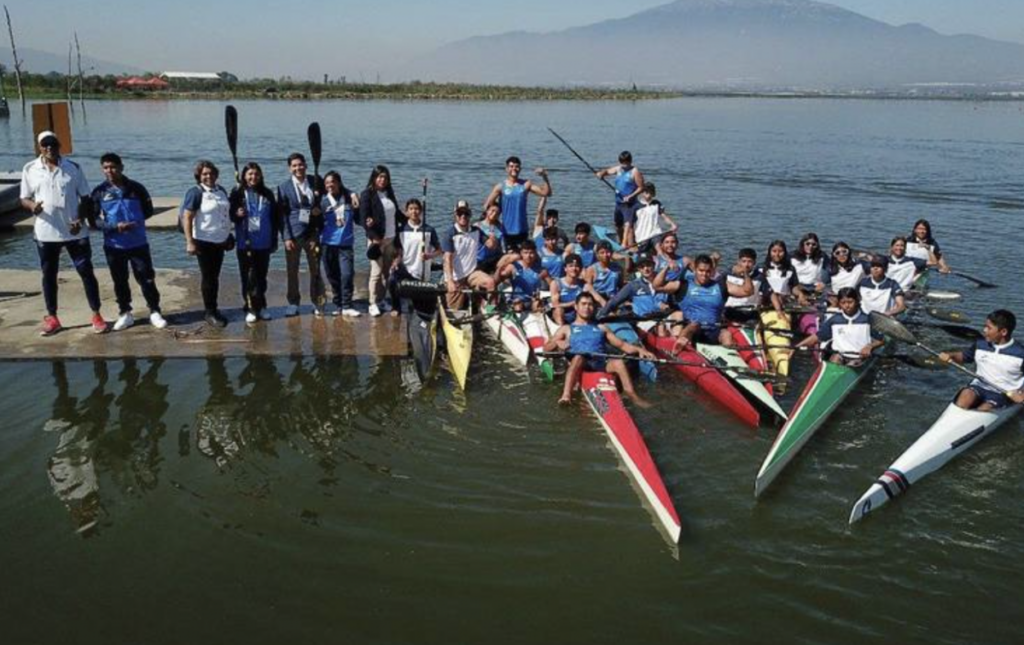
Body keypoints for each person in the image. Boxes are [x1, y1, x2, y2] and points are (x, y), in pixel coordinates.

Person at [20, 130, 109, 336]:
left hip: (75, 231)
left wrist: (80, 218)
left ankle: (96, 314)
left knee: (86, 271)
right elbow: (24, 197)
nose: (49, 148)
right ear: (39, 147)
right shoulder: (29, 169)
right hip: (46, 232)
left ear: (60, 146)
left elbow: (85, 197)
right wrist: (32, 206)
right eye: (45, 145)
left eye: (53, 144)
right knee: (49, 275)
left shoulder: (73, 168)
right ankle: (53, 317)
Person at [88, 152, 165, 331]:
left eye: (113, 167)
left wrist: (135, 223)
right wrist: (114, 227)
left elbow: (148, 211)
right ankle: (125, 313)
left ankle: (154, 311)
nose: (110, 171)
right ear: (102, 169)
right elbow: (94, 221)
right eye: (106, 167)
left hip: (138, 243)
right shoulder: (99, 191)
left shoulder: (137, 188)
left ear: (121, 167)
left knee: (146, 278)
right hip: (114, 245)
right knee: (120, 280)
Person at [543, 291, 655, 407]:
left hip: (599, 363)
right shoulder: (566, 329)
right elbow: (546, 349)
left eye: (590, 304)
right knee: (579, 357)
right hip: (580, 364)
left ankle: (632, 395)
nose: (587, 307)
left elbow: (622, 345)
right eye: (584, 304)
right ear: (576, 307)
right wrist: (557, 342)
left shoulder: (601, 327)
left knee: (619, 362)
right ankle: (566, 395)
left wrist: (641, 350)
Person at [657, 253, 754, 349]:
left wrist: (745, 273)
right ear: (695, 269)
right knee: (693, 325)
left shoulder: (721, 285)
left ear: (712, 271)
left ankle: (729, 356)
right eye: (701, 271)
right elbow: (657, 286)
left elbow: (748, 291)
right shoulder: (683, 285)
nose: (704, 274)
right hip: (691, 330)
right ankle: (680, 348)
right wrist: (666, 268)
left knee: (726, 334)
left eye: (708, 271)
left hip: (714, 329)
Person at [181, 160, 233, 328]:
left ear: (216, 174)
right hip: (204, 242)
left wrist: (228, 234)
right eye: (204, 174)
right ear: (199, 176)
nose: (208, 176)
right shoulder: (195, 192)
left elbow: (224, 214)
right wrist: (189, 242)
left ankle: (214, 308)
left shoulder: (221, 190)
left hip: (220, 241)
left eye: (211, 173)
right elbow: (187, 217)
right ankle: (210, 312)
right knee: (208, 278)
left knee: (215, 277)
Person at [939, 310, 1024, 410]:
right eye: (985, 326)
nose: (984, 330)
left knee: (984, 409)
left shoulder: (1020, 353)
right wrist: (950, 355)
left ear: (1003, 332)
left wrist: (1022, 395)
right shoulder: (980, 344)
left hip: (1004, 393)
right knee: (965, 395)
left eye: (989, 328)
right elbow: (964, 356)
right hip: (979, 386)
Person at [277, 153, 327, 317]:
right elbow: (282, 215)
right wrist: (286, 237)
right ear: (290, 168)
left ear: (306, 165)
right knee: (292, 270)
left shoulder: (315, 181)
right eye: (294, 165)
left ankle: (318, 301)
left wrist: (352, 194)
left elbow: (334, 187)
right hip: (293, 233)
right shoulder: (283, 187)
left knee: (316, 270)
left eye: (301, 164)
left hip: (313, 233)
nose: (298, 168)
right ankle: (293, 302)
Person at [229, 162, 279, 324]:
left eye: (256, 174)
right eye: (250, 174)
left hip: (264, 243)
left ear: (261, 176)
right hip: (245, 243)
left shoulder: (268, 193)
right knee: (248, 277)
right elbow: (230, 215)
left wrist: (274, 240)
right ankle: (250, 307)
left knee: (261, 276)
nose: (253, 177)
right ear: (244, 176)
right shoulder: (237, 192)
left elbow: (274, 218)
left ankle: (262, 306)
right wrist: (237, 213)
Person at [795, 287, 885, 366]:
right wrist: (797, 347)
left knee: (854, 362)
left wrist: (869, 346)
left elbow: (881, 340)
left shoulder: (867, 319)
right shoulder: (834, 320)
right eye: (843, 303)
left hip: (859, 358)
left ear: (857, 301)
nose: (847, 306)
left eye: (850, 302)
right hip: (838, 356)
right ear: (839, 304)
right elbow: (818, 337)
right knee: (835, 358)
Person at [359, 164, 403, 316]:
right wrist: (374, 238)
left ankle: (382, 299)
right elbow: (364, 219)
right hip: (377, 240)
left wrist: (411, 219)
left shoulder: (389, 193)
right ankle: (372, 302)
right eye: (380, 177)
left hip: (391, 239)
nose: (382, 180)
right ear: (374, 178)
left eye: (385, 177)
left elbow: (397, 214)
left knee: (387, 273)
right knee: (376, 273)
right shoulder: (367, 194)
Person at [483, 156, 552, 251]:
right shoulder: (500, 186)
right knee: (509, 258)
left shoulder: (526, 184)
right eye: (511, 166)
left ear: (520, 168)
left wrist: (544, 177)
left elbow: (546, 193)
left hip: (522, 230)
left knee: (522, 258)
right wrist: (493, 222)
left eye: (516, 166)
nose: (514, 169)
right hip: (506, 231)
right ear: (506, 168)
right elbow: (487, 205)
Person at [389, 198, 441, 316]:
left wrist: (429, 256)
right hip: (406, 270)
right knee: (391, 279)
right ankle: (395, 307)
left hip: (422, 272)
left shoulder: (429, 230)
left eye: (416, 209)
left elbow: (439, 250)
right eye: (411, 209)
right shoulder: (401, 230)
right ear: (406, 212)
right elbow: (398, 251)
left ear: (421, 211)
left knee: (421, 308)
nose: (414, 212)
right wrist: (396, 262)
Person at [319, 171, 360, 317]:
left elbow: (359, 217)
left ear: (339, 183)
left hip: (345, 244)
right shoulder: (322, 201)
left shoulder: (349, 198)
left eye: (333, 182)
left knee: (347, 274)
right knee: (332, 275)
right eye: (327, 183)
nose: (330, 185)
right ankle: (338, 303)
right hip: (327, 243)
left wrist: (354, 194)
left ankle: (347, 305)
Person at [441, 202, 497, 310]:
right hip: (456, 277)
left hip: (471, 273)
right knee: (454, 310)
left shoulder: (476, 231)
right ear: (455, 215)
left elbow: (490, 245)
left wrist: (493, 239)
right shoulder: (449, 234)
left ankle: (491, 310)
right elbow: (447, 259)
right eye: (460, 213)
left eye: (466, 213)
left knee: (491, 282)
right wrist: (450, 281)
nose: (463, 216)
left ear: (470, 215)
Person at [597, 256, 672, 335]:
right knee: (661, 327)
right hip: (645, 320)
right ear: (639, 269)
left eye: (648, 265)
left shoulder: (665, 282)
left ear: (654, 266)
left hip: (665, 317)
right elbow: (614, 301)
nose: (646, 269)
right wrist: (601, 315)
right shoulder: (633, 286)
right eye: (642, 267)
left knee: (677, 320)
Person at [595, 151, 645, 247]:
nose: (624, 165)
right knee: (618, 224)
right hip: (619, 202)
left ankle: (629, 245)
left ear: (630, 161)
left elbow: (641, 188)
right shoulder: (618, 169)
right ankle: (620, 241)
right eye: (622, 162)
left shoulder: (635, 171)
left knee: (628, 226)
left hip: (629, 204)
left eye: (626, 163)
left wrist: (631, 196)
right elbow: (608, 171)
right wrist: (601, 173)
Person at [497, 239, 549, 312]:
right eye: (526, 253)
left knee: (537, 305)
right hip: (517, 299)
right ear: (521, 253)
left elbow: (552, 284)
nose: (528, 256)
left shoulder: (541, 270)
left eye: (531, 253)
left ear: (535, 253)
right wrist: (505, 262)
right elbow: (499, 278)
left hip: (533, 299)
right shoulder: (513, 266)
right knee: (518, 306)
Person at [724, 248, 768, 323]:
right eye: (744, 261)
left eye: (749, 262)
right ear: (738, 261)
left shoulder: (760, 277)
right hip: (730, 310)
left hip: (750, 312)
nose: (746, 265)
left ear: (754, 262)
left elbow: (768, 294)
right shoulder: (728, 274)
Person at [631, 182, 676, 253]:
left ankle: (662, 261)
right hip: (642, 237)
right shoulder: (636, 206)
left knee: (659, 248)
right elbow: (630, 225)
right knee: (643, 252)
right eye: (646, 192)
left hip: (655, 233)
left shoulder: (656, 203)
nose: (648, 195)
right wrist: (631, 242)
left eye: (651, 193)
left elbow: (663, 215)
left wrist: (672, 224)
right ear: (642, 193)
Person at [762, 240, 800, 321]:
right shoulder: (761, 269)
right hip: (766, 303)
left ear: (785, 252)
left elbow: (794, 287)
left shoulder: (790, 269)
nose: (777, 254)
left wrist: (800, 295)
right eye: (774, 251)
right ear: (769, 252)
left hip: (784, 302)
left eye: (780, 251)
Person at [549, 253, 589, 325]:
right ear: (565, 268)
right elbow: (555, 304)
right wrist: (573, 303)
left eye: (577, 266)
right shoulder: (556, 283)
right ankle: (562, 332)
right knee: (558, 310)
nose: (574, 269)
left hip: (579, 316)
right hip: (562, 316)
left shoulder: (584, 285)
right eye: (571, 266)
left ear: (580, 269)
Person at [583, 240, 623, 306]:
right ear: (597, 255)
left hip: (613, 298)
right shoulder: (592, 269)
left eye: (608, 252)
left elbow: (621, 286)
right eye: (602, 252)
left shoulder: (617, 268)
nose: (605, 255)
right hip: (598, 300)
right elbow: (588, 288)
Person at [826, 241, 866, 305]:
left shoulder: (859, 267)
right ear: (834, 255)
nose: (841, 255)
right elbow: (824, 285)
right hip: (836, 299)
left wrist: (864, 255)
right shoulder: (830, 269)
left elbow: (876, 263)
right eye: (837, 253)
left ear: (849, 252)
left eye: (844, 251)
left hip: (852, 300)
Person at [476, 202, 509, 276]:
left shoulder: (500, 228)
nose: (494, 214)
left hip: (495, 259)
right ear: (487, 211)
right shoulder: (477, 226)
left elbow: (503, 247)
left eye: (497, 213)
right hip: (480, 259)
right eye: (492, 211)